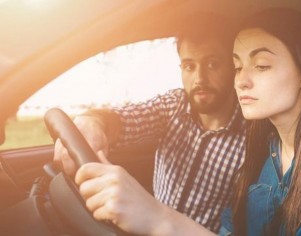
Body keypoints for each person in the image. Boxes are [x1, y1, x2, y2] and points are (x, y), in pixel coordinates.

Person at [74, 8, 301, 236]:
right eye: (238, 66)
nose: (242, 81)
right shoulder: (258, 154)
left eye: (261, 65)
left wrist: (161, 221)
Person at [53, 12, 247, 233]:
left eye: (212, 64)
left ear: (234, 66)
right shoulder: (174, 105)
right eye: (189, 66)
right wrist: (93, 122)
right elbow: (125, 118)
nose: (199, 79)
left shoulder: (254, 137)